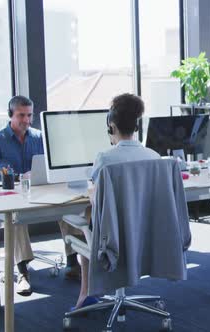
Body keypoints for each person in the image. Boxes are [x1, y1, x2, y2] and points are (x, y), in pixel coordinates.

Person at [0, 96, 81, 295]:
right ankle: (22, 273)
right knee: (15, 217)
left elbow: (54, 163)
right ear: (10, 114)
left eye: (29, 115)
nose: (27, 120)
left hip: (40, 191)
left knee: (69, 206)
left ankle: (73, 264)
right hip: (13, 194)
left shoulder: (39, 137)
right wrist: (19, 176)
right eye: (21, 115)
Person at [73, 93, 160, 310]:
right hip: (144, 234)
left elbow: (98, 201)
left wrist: (91, 191)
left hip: (113, 241)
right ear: (136, 126)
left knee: (85, 219)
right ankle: (89, 292)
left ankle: (86, 293)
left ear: (111, 126)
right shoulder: (154, 157)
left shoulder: (105, 158)